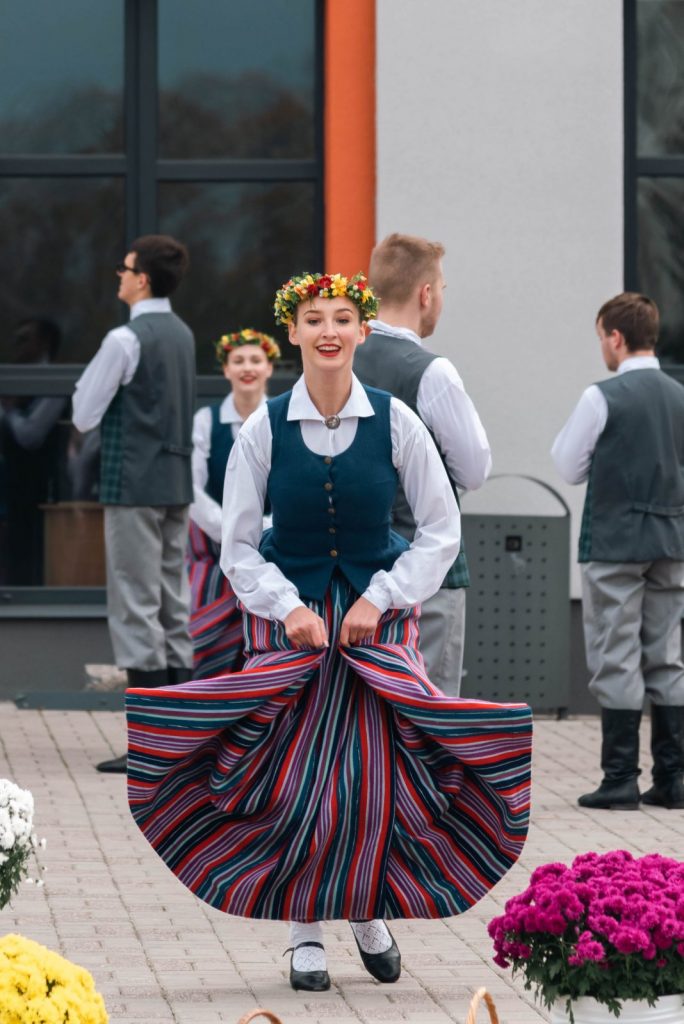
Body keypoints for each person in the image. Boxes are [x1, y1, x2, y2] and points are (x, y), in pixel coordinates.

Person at [126, 271, 532, 993]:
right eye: (314, 319)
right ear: (293, 332)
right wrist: (286, 607)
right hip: (293, 623)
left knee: (375, 781)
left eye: (342, 318)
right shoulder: (264, 427)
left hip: (377, 622)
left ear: (363, 330)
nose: (329, 331)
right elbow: (238, 545)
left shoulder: (396, 421)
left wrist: (384, 595)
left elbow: (441, 530)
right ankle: (304, 931)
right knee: (296, 782)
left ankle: (367, 910)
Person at [552, 292, 684, 810]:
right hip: (672, 540)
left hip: (615, 540)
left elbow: (569, 465)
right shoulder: (679, 396)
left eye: (601, 338)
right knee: (668, 656)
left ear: (615, 337)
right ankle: (673, 779)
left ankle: (620, 779)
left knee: (616, 655)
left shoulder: (602, 396)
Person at [72, 235, 195, 773]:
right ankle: (185, 740)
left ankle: (149, 746)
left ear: (142, 278)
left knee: (135, 607)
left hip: (133, 483)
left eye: (123, 269)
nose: (118, 276)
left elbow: (84, 412)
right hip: (176, 481)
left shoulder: (124, 339)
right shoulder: (184, 334)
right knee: (172, 606)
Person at [354, 234, 491, 695]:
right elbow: (473, 471)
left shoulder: (336, 363)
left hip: (350, 569)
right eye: (443, 289)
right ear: (426, 294)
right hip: (425, 568)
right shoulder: (432, 371)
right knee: (429, 707)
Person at [188, 328, 280, 677]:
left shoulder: (281, 418)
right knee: (207, 642)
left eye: (255, 360)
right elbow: (192, 488)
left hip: (272, 549)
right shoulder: (205, 421)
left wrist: (264, 530)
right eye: (238, 360)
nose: (247, 367)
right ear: (226, 369)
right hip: (213, 554)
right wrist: (231, 530)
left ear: (269, 368)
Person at [0, 319, 67, 585]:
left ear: (44, 343)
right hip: (13, 485)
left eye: (24, 339)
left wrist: (9, 410)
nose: (17, 346)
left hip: (42, 485)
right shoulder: (15, 380)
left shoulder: (53, 384)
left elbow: (31, 436)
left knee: (37, 549)